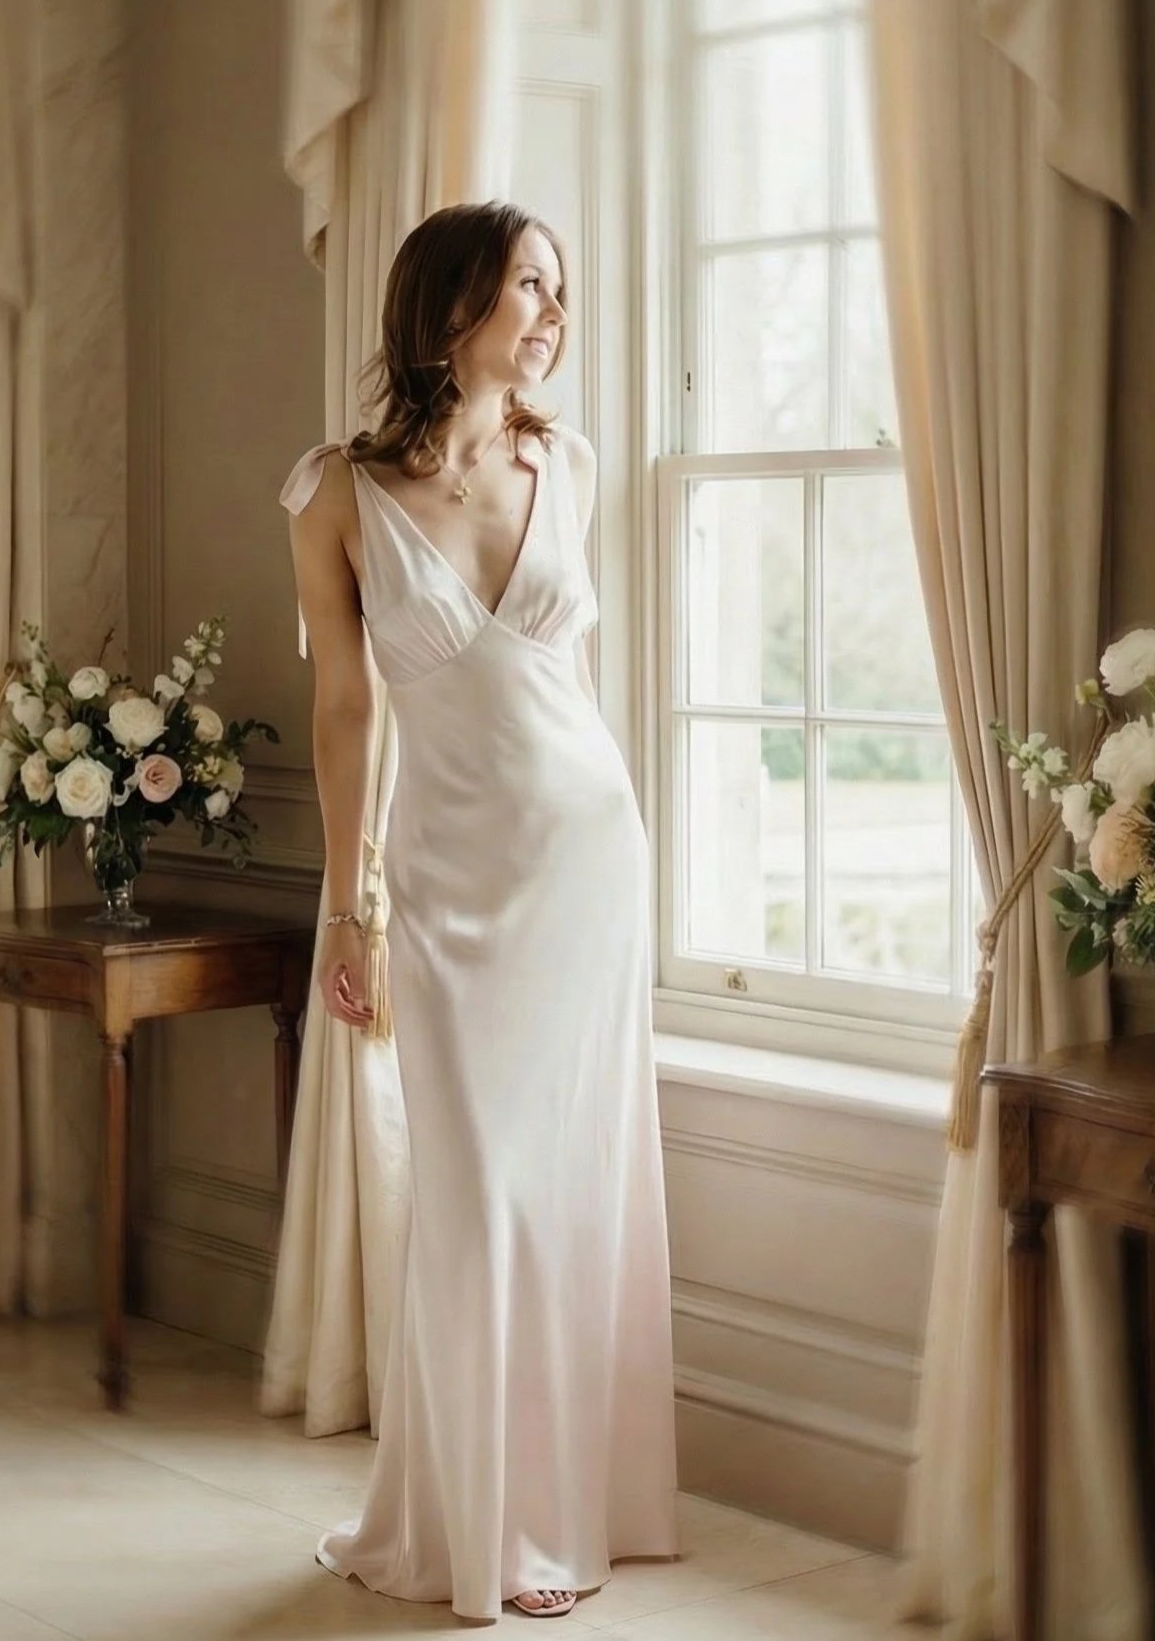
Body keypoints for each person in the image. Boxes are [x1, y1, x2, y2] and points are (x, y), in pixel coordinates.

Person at [278, 201, 680, 1621]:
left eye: (561, 289)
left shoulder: (565, 463)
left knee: (571, 1186)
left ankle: (565, 1513)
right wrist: (351, 906)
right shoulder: (337, 493)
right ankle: (474, 1522)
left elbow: (565, 685)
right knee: (469, 1192)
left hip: (587, 864)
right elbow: (345, 710)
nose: (556, 313)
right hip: (444, 885)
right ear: (450, 307)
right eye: (530, 286)